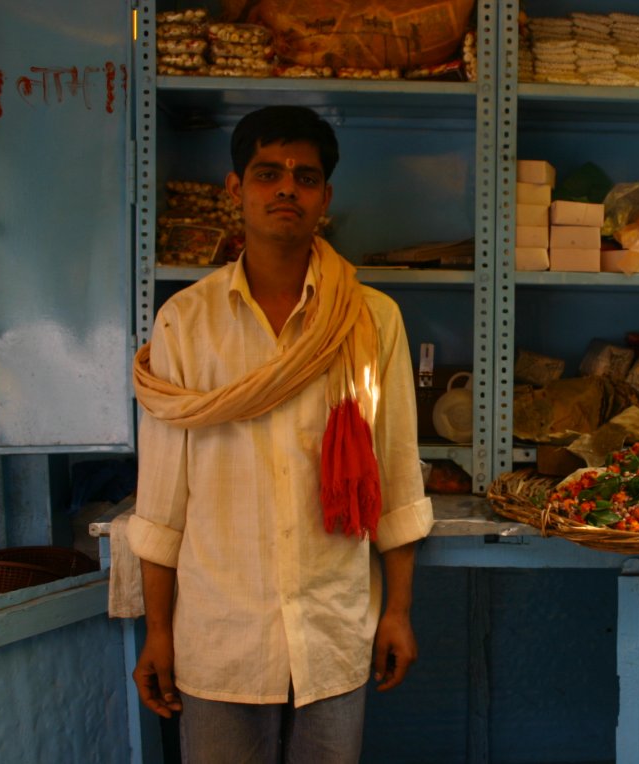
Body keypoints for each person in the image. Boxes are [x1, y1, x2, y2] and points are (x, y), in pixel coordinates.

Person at [127, 105, 434, 763]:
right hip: (219, 634)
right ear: (236, 190)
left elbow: (396, 475)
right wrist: (157, 631)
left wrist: (398, 612)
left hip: (333, 628)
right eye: (268, 174)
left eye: (305, 176)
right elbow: (160, 501)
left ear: (326, 197)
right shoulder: (187, 322)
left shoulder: (371, 319)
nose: (286, 189)